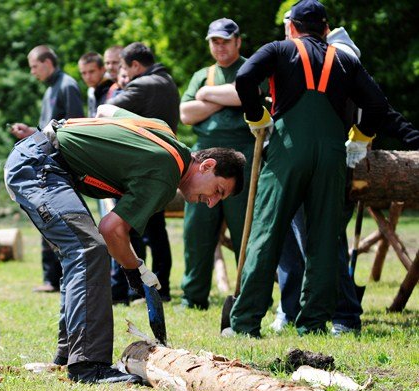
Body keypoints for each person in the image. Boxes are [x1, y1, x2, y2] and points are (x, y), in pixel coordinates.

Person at [4, 104, 245, 383]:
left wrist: (102, 148)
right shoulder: (166, 175)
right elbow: (112, 229)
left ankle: (68, 352)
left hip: (42, 157)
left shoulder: (163, 132)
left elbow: (106, 110)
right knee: (87, 250)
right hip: (40, 167)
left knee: (81, 251)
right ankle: (89, 367)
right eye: (217, 190)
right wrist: (136, 269)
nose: (212, 202)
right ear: (207, 165)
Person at [228, 0, 389, 337]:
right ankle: (313, 323)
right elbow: (377, 103)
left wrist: (257, 117)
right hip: (332, 154)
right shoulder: (347, 58)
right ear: (326, 29)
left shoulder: (278, 48)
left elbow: (244, 77)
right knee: (325, 239)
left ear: (292, 27)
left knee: (267, 232)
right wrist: (358, 140)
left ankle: (244, 323)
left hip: (289, 150)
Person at [272, 22, 419, 335]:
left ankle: (345, 315)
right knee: (294, 242)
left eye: (290, 30)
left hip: (329, 165)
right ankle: (292, 308)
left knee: (324, 241)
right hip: (297, 161)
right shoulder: (295, 58)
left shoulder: (339, 57)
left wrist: (363, 140)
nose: (288, 36)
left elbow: (379, 108)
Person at [179, 18, 265, 310]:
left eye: (225, 41)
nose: (220, 46)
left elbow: (252, 94)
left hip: (243, 158)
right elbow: (187, 114)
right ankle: (193, 297)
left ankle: (248, 295)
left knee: (246, 232)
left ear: (238, 41)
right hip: (202, 160)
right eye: (214, 41)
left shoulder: (253, 66)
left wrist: (206, 97)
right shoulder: (203, 74)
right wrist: (226, 98)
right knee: (197, 231)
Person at [107, 41, 181, 303]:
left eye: (126, 69)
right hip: (161, 170)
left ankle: (136, 290)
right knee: (156, 232)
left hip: (138, 172)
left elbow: (105, 112)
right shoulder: (167, 82)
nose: (125, 74)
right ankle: (162, 289)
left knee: (132, 229)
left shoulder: (143, 85)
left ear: (136, 66)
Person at [9, 45, 84, 293]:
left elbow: (74, 127)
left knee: (61, 219)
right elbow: (49, 129)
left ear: (48, 63)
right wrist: (31, 133)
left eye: (34, 66)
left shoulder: (68, 85)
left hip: (61, 167)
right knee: (45, 215)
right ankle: (50, 279)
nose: (32, 72)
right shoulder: (51, 88)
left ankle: (61, 278)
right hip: (45, 163)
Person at [78, 52, 113, 118]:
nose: (88, 77)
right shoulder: (91, 90)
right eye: (83, 73)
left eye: (92, 71)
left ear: (103, 70)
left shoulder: (113, 88)